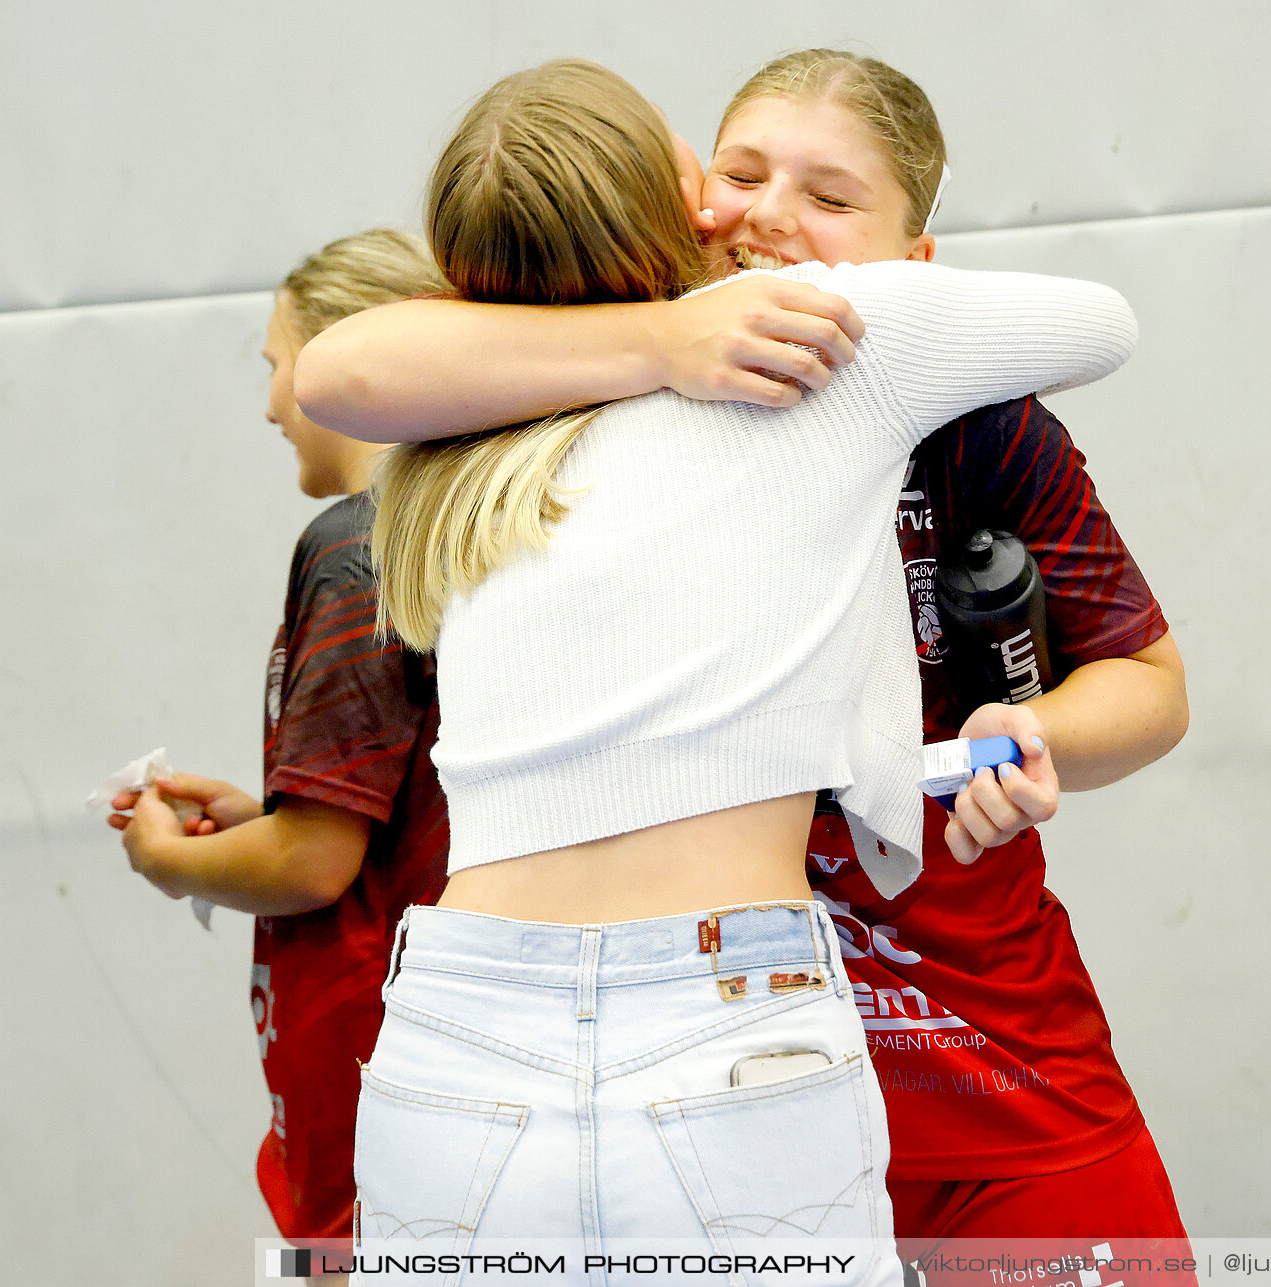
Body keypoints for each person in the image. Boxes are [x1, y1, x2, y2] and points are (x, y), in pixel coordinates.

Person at [298, 50, 1191, 1263]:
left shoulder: (949, 406)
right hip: (737, 1022)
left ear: (914, 262)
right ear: (681, 204)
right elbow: (338, 367)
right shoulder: (546, 384)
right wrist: (666, 338)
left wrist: (1032, 731)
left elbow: (1149, 689)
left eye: (829, 199)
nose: (771, 215)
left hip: (955, 1045)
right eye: (741, 174)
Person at [108, 230, 452, 1262]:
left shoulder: (356, 543)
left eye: (277, 367)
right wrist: (264, 820)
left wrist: (169, 862)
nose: (268, 406)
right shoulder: (439, 527)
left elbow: (315, 863)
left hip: (370, 1047)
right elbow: (383, 820)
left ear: (348, 354)